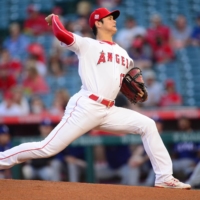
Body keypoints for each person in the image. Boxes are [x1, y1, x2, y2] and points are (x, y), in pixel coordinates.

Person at [0, 7, 190, 189]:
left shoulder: (124, 54)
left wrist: (132, 88)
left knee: (148, 125)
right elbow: (62, 34)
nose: (113, 20)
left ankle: (164, 177)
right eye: (109, 18)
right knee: (47, 148)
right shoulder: (87, 44)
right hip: (86, 105)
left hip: (109, 110)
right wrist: (55, 19)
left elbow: (123, 82)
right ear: (98, 24)